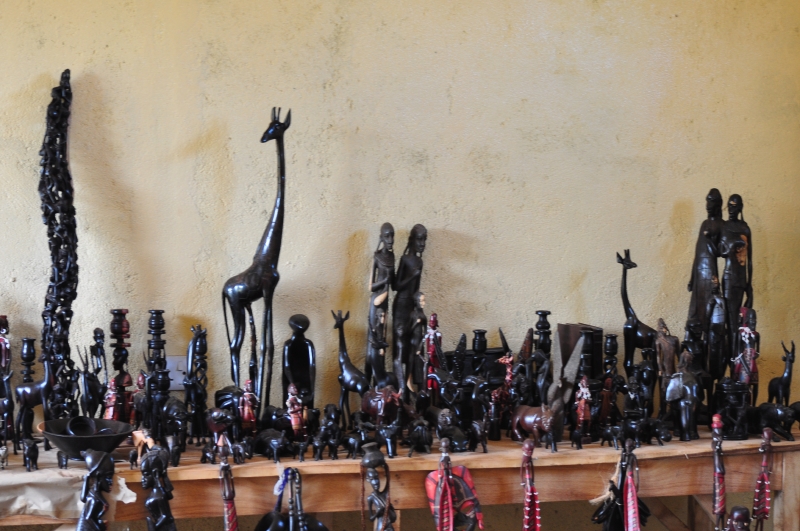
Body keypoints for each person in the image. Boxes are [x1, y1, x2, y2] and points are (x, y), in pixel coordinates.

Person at [392, 224, 427, 394]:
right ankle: (399, 389)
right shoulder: (405, 259)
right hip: (400, 306)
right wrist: (411, 276)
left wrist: (418, 307)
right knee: (400, 345)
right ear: (412, 240)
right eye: (419, 239)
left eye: (424, 239)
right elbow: (395, 285)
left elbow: (416, 288)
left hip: (412, 307)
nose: (422, 243)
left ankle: (411, 385)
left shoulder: (420, 261)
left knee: (415, 346)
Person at [688, 189, 725, 333]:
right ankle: (696, 337)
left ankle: (710, 337)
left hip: (710, 271)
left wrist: (711, 239)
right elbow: (697, 254)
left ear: (718, 204)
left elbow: (724, 251)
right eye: (707, 201)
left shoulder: (722, 225)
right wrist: (692, 278)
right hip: (699, 272)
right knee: (696, 307)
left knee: (710, 305)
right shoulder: (704, 224)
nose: (708, 205)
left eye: (712, 202)